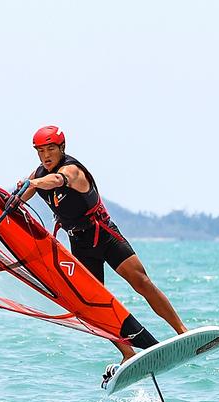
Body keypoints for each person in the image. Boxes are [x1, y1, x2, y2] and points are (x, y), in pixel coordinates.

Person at [14, 125, 187, 386]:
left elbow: (58, 181)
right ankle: (128, 353)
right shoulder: (38, 174)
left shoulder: (71, 170)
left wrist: (34, 183)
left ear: (62, 148)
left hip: (104, 235)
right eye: (40, 151)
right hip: (80, 243)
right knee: (93, 303)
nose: (46, 155)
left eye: (50, 149)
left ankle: (181, 331)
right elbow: (19, 199)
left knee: (141, 282)